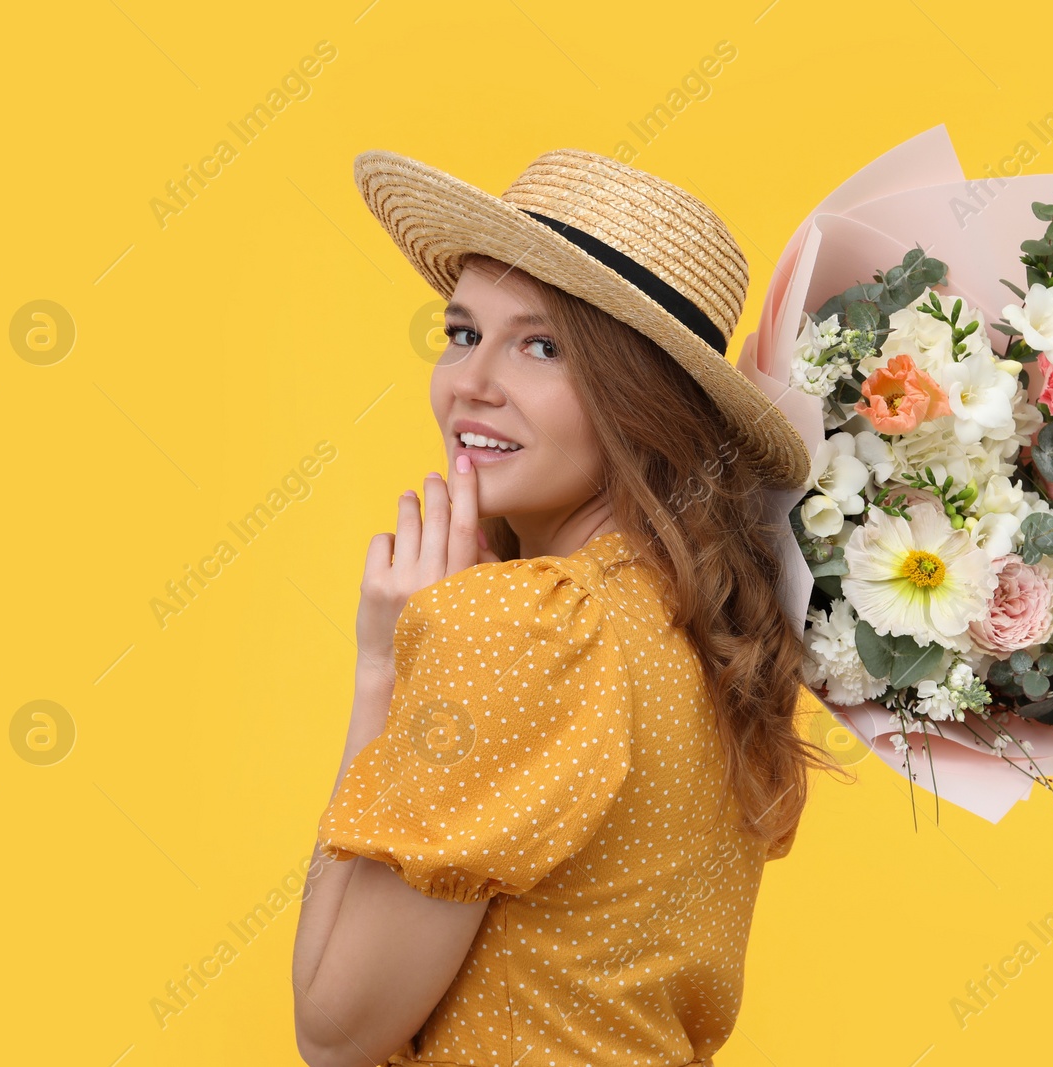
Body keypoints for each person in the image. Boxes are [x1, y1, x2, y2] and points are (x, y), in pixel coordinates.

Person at [291, 147, 833, 1067]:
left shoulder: (519, 627)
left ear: (642, 399)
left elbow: (334, 1030)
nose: (472, 382)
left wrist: (383, 665)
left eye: (542, 346)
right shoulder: (709, 629)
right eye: (463, 333)